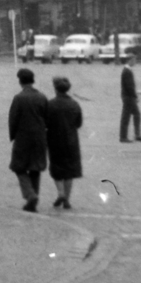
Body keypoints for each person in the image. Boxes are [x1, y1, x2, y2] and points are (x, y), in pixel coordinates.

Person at [8, 68, 49, 212]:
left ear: (20, 81)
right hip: (39, 137)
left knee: (18, 167)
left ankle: (30, 195)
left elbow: (13, 119)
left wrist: (12, 135)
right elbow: (47, 118)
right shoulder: (42, 97)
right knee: (35, 168)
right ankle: (33, 202)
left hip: (23, 137)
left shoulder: (19, 98)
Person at [45, 76, 83, 209]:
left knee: (56, 168)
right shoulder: (74, 104)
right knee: (69, 170)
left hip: (54, 139)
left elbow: (45, 122)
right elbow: (78, 123)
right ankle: (67, 198)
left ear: (55, 89)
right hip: (71, 140)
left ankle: (60, 192)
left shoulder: (50, 104)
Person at [120, 59, 141, 142]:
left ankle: (136, 135)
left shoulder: (127, 70)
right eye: (134, 61)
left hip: (129, 97)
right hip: (129, 97)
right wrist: (135, 96)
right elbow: (129, 86)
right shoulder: (127, 71)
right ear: (129, 61)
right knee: (126, 117)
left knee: (136, 114)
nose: (135, 62)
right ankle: (124, 137)